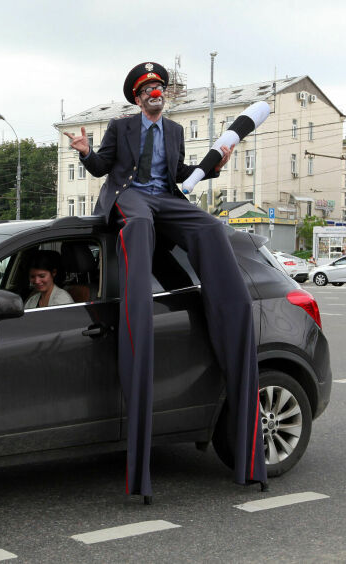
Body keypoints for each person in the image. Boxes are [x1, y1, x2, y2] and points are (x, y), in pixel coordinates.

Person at [64, 61, 266, 501]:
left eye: (159, 87)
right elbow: (101, 168)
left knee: (212, 228)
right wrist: (83, 149)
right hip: (130, 197)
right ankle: (137, 306)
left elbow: (177, 175)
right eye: (148, 88)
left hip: (164, 198)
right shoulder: (121, 127)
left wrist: (214, 165)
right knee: (138, 226)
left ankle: (226, 303)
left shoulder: (173, 131)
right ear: (137, 98)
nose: (155, 92)